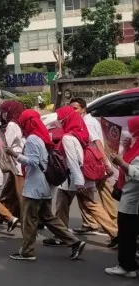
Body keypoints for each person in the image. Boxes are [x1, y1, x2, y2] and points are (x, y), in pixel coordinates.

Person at [6, 109, 86, 261]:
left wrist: (15, 154)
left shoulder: (32, 139)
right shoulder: (42, 137)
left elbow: (33, 162)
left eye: (23, 123)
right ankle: (74, 242)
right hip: (43, 186)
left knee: (29, 220)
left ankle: (27, 252)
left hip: (34, 187)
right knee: (49, 218)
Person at [49, 106, 118, 248]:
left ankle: (61, 236)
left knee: (63, 206)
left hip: (73, 179)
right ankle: (116, 234)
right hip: (82, 177)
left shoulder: (68, 137)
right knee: (91, 205)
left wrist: (79, 181)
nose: (59, 122)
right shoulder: (79, 133)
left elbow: (74, 161)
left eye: (60, 119)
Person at [70, 98, 118, 236]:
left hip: (93, 162)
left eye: (76, 109)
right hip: (97, 162)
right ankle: (100, 223)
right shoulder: (90, 120)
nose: (74, 112)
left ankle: (95, 224)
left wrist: (105, 164)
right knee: (104, 192)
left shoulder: (87, 122)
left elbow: (97, 143)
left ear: (83, 109)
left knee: (86, 194)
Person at [106, 116, 139, 277]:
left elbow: (135, 171)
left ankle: (127, 266)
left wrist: (122, 163)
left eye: (133, 131)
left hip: (133, 201)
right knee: (129, 234)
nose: (131, 134)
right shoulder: (135, 147)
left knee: (127, 234)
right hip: (130, 196)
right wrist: (125, 150)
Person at [0, 100, 26, 218]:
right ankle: (4, 213)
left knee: (20, 193)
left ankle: (26, 217)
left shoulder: (11, 125)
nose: (2, 114)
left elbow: (7, 144)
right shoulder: (20, 123)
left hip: (15, 161)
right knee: (10, 190)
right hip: (21, 160)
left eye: (4, 111)